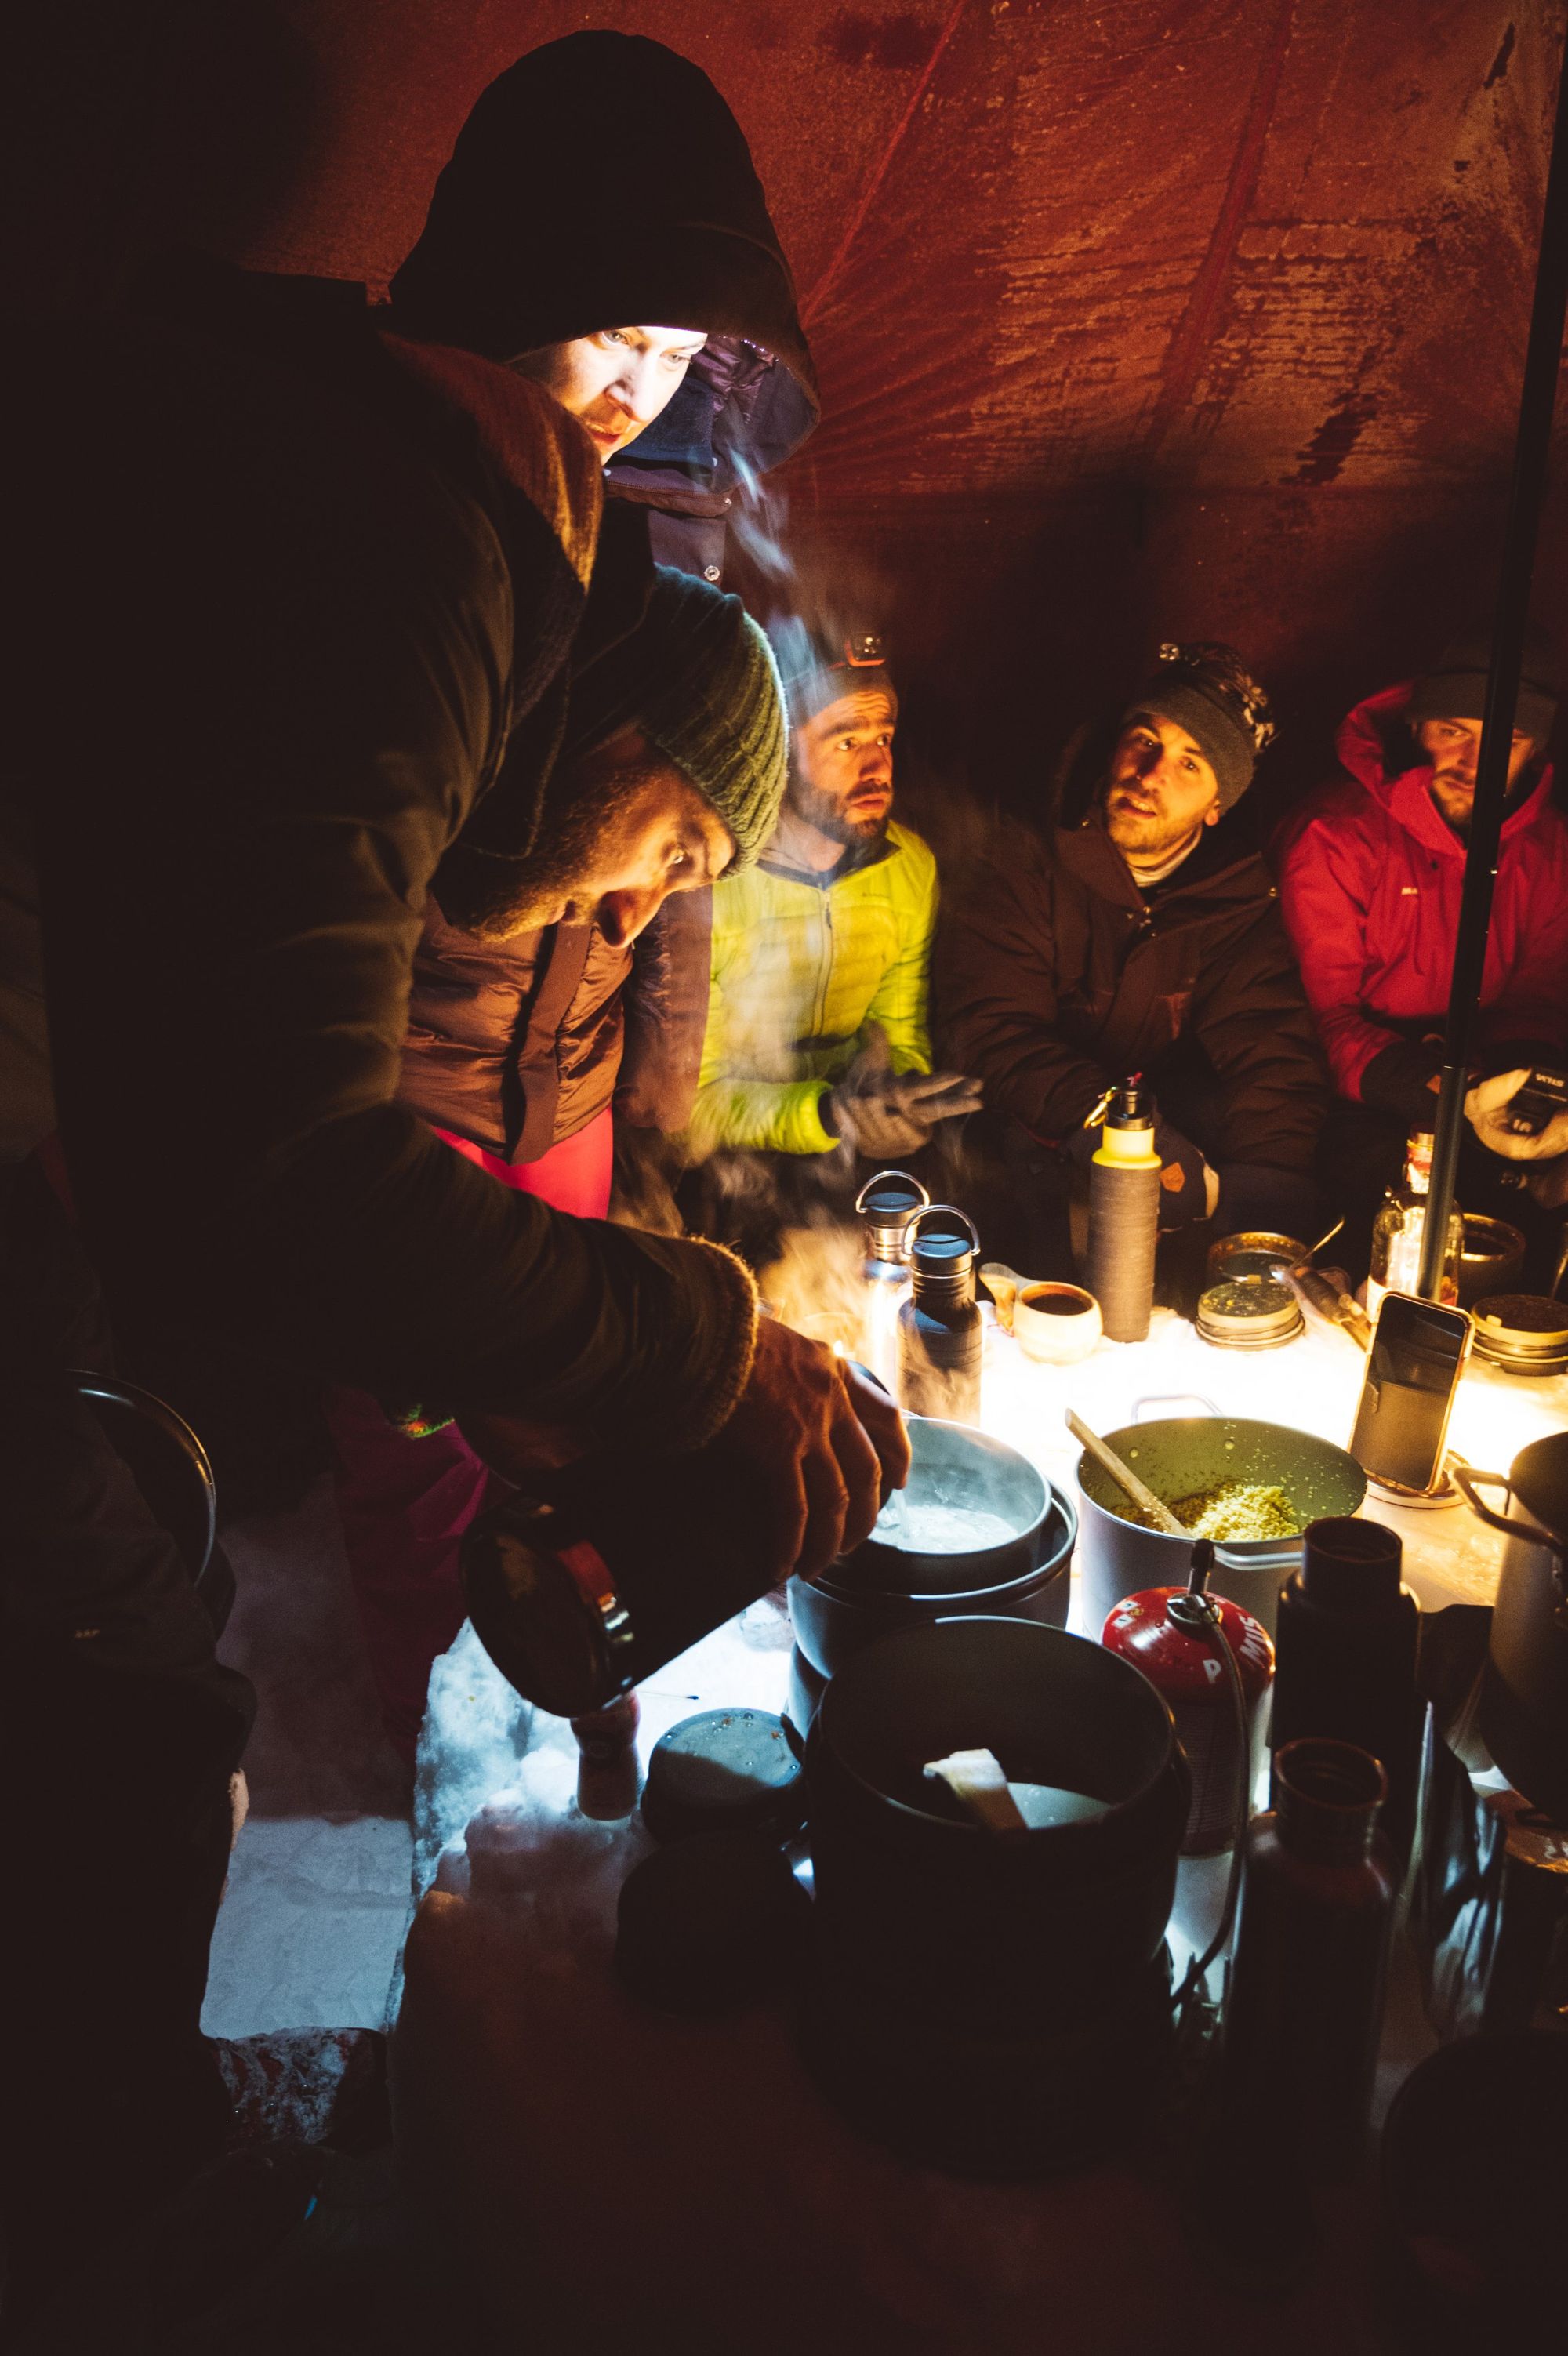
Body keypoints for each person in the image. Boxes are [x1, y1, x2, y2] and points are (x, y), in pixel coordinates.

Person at [0, 54, 898, 2326]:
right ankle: (121, 2235)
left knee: (124, 1574)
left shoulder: (272, 433)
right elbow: (280, 1166)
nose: (637, 399)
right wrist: (687, 1335)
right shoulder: (414, 517)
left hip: (58, 1188)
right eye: (615, 346)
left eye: (683, 367)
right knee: (107, 1654)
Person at [335, 566, 789, 1755]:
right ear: (621, 727)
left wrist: (651, 1090)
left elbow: (659, 944)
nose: (635, 915)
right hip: (418, 1118)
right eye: (675, 844)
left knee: (563, 1419)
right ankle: (429, 1722)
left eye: (688, 877)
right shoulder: (411, 773)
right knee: (417, 1457)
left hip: (566, 1112)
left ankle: (553, 1672)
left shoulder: (610, 855)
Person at [935, 642, 1327, 1276]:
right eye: (1145, 740)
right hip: (1024, 1130)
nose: (1150, 775)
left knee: (1236, 1135)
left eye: (1190, 764)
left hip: (1146, 1115)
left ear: (1216, 804)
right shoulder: (1025, 852)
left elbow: (1270, 1049)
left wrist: (1265, 1198)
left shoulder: (1234, 898)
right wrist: (1117, 1124)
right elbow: (989, 1030)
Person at [1276, 625, 1566, 1276]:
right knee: (1379, 1192)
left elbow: (1534, 1002)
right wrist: (1452, 1099)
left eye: (1507, 740)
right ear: (1418, 730)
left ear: (1536, 750)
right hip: (1357, 1088)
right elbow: (1323, 1019)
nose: (1476, 761)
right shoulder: (1335, 834)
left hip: (1481, 1083)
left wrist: (1535, 1097)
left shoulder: (1549, 852)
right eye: (1454, 731)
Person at [683, 629, 981, 1262]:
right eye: (845, 741)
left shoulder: (907, 866)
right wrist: (828, 1114)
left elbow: (902, 1026)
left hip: (848, 1160)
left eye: (883, 739)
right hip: (731, 1168)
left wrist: (900, 1102)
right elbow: (697, 1102)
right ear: (778, 751)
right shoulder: (712, 878)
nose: (877, 767)